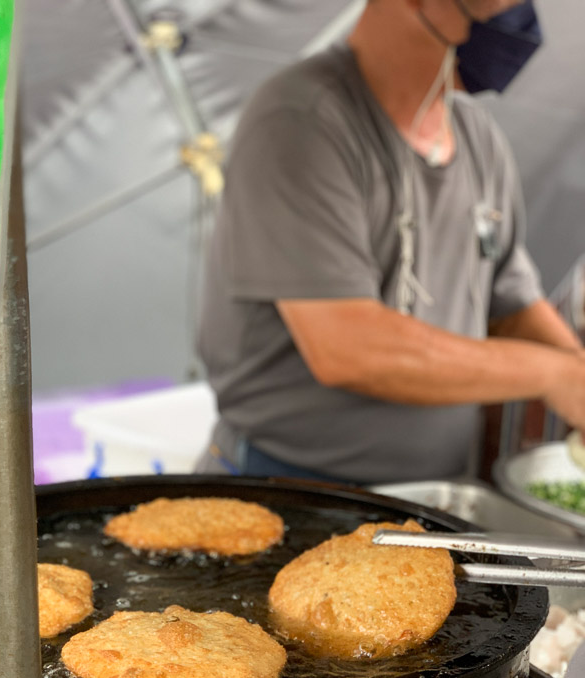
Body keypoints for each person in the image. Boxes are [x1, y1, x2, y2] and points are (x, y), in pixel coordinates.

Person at [194, 0, 585, 485]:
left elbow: (509, 304)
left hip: (429, 489)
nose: (516, 11)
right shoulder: (301, 120)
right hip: (292, 487)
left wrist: (576, 372)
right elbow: (348, 349)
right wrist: (550, 374)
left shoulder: (477, 139)